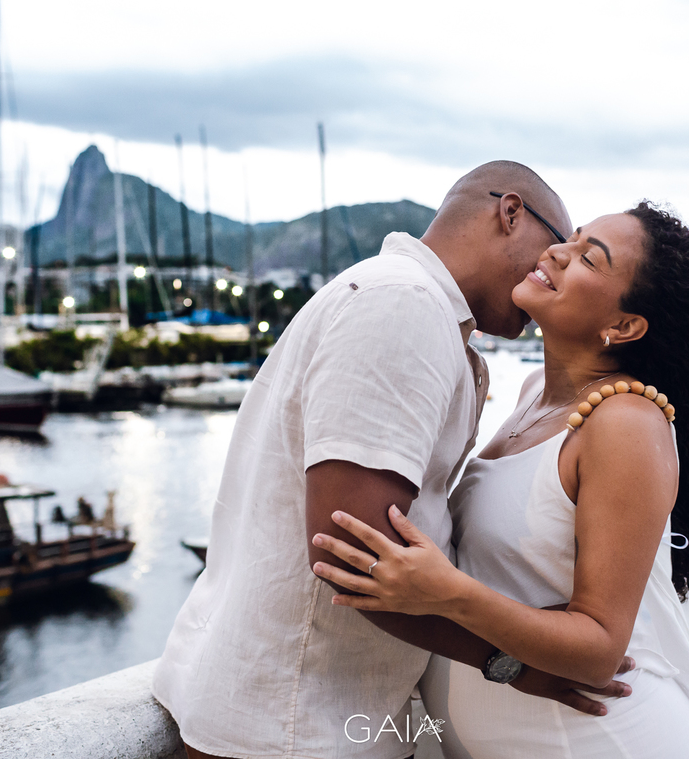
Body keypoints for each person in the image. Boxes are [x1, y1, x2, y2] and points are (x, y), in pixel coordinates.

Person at [153, 162, 634, 759]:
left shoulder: (410, 304)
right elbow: (353, 553)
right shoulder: (406, 305)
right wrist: (509, 661)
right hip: (298, 724)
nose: (553, 262)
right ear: (510, 213)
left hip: (305, 712)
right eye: (557, 242)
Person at [313, 202, 689, 758]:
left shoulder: (625, 422)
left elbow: (599, 650)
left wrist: (447, 593)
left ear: (623, 326)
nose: (558, 251)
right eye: (574, 237)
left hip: (601, 741)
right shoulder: (531, 397)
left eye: (589, 257)